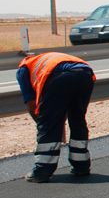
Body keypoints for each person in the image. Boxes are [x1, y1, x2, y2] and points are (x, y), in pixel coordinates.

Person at [16, 52, 96, 182]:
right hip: (85, 74)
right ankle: (81, 166)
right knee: (78, 119)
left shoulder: (23, 69)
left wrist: (43, 125)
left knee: (48, 123)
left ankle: (42, 170)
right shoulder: (47, 59)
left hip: (62, 77)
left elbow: (31, 105)